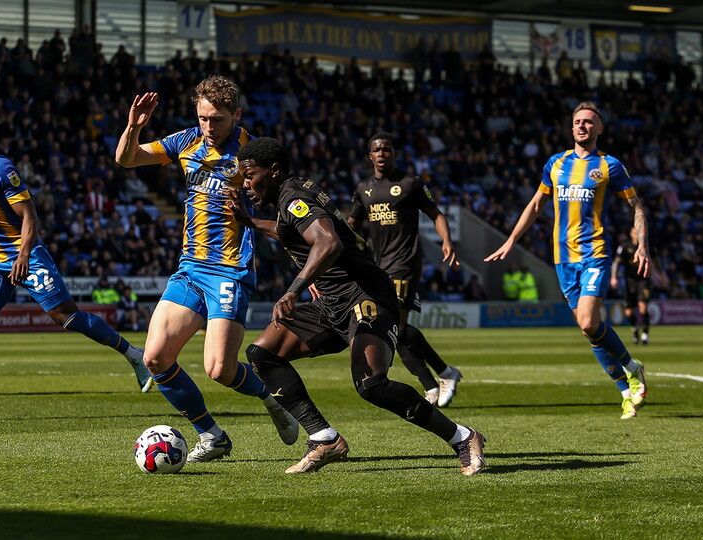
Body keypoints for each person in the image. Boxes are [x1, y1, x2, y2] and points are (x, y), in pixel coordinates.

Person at [227, 137, 485, 475]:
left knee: (372, 384)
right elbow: (293, 232)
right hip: (333, 302)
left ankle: (463, 437)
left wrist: (293, 290)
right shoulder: (291, 195)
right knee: (263, 354)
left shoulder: (294, 198)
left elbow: (327, 241)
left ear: (273, 171)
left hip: (365, 296)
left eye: (250, 175)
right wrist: (251, 223)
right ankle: (324, 438)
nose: (246, 184)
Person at [0, 112, 152, 422]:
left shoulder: (0, 168)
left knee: (66, 317)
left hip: (26, 255)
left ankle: (134, 355)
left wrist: (23, 255)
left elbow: (30, 216)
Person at [115, 76, 298, 462]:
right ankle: (211, 435)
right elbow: (126, 159)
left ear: (236, 115)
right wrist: (134, 127)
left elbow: (287, 213)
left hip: (230, 269)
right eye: (202, 118)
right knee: (154, 359)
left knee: (220, 369)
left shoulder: (252, 153)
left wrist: (306, 272)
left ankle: (273, 400)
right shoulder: (185, 142)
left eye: (216, 119)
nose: (208, 127)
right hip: (190, 267)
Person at [486, 101, 649, 419]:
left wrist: (642, 245)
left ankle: (631, 366)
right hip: (563, 260)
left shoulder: (609, 166)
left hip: (594, 254)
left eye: (589, 122)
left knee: (589, 321)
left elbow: (637, 207)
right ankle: (626, 390)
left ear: (599, 129)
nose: (582, 126)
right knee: (588, 330)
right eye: (578, 121)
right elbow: (535, 205)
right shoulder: (556, 164)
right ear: (571, 126)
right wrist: (511, 240)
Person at [349, 133, 463, 408]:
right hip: (378, 268)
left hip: (404, 264)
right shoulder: (363, 188)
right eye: (376, 150)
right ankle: (436, 381)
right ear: (370, 156)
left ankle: (443, 376)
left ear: (394, 153)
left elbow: (436, 214)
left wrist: (446, 240)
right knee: (393, 330)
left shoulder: (411, 184)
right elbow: (352, 223)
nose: (381, 153)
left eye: (386, 149)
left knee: (396, 327)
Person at [612, 228, 651, 345]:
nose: (637, 235)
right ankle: (634, 329)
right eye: (635, 232)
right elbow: (617, 262)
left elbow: (656, 261)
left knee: (643, 307)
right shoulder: (624, 247)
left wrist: (661, 275)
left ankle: (645, 334)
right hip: (630, 282)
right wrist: (614, 277)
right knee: (629, 312)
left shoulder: (646, 247)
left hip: (643, 280)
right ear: (630, 234)